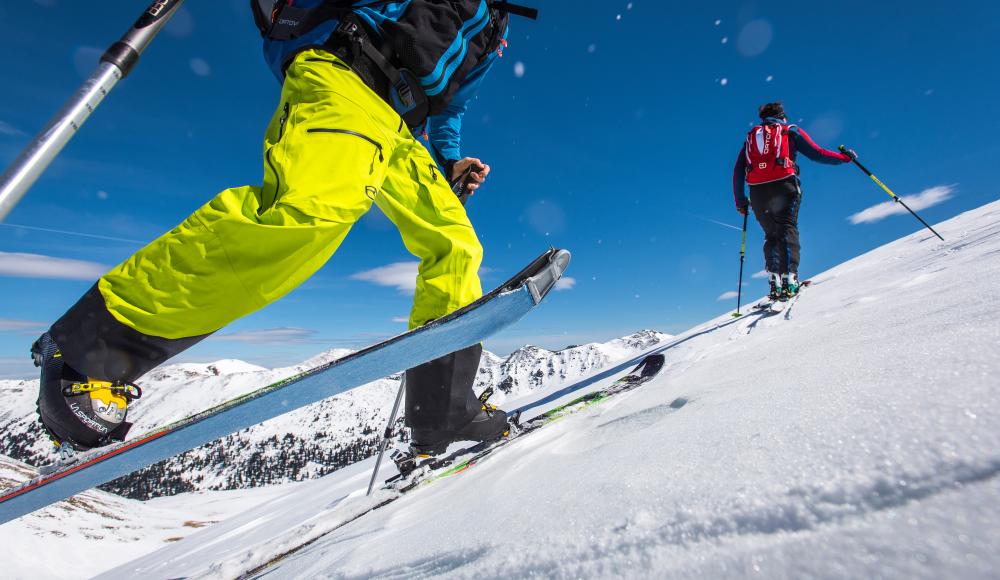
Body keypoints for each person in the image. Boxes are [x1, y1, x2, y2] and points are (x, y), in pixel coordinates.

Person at [31, 0, 536, 457]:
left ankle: (441, 413)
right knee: (311, 210)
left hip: (400, 129)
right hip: (345, 74)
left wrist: (450, 160)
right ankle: (89, 351)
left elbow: (452, 107)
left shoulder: (492, 28)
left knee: (455, 243)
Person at [732, 101, 855, 300]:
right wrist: (844, 158)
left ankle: (775, 283)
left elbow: (738, 170)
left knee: (771, 234)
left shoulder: (751, 138)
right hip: (785, 185)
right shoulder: (788, 130)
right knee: (787, 228)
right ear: (782, 116)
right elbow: (817, 154)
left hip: (757, 192)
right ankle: (790, 279)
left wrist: (740, 200)